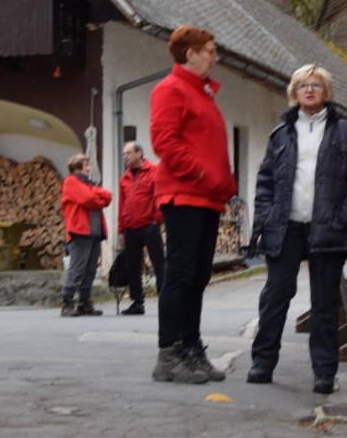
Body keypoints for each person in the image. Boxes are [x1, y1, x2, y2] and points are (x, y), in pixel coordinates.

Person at [246, 64, 347, 395]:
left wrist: (345, 217)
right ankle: (262, 361)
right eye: (303, 85)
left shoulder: (346, 131)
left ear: (326, 92)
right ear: (294, 92)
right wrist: (266, 213)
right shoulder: (281, 134)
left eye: (316, 85)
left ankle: (325, 371)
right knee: (275, 296)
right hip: (286, 227)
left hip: (328, 227)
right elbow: (265, 180)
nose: (310, 90)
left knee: (325, 302)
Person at [150, 24, 237, 384]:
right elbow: (164, 143)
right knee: (180, 274)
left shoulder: (203, 93)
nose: (215, 57)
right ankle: (169, 353)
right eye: (210, 51)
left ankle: (191, 347)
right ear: (191, 54)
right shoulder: (170, 89)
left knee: (199, 276)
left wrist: (222, 185)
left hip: (206, 198)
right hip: (184, 194)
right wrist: (203, 175)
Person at [60, 153, 113, 317]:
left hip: (94, 232)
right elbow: (89, 198)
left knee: (90, 269)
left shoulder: (88, 184)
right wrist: (99, 196)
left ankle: (84, 302)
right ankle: (67, 302)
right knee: (77, 268)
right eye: (87, 165)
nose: (90, 168)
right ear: (79, 167)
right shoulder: (70, 182)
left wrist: (98, 195)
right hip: (80, 231)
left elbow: (108, 196)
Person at [117, 141, 164, 315]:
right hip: (130, 227)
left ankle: (164, 300)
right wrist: (121, 229)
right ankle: (137, 302)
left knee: (158, 263)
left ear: (139, 154)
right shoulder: (124, 178)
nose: (125, 157)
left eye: (128, 153)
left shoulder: (154, 171)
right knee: (132, 266)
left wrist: (157, 220)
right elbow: (122, 204)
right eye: (123, 154)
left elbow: (159, 195)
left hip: (149, 225)